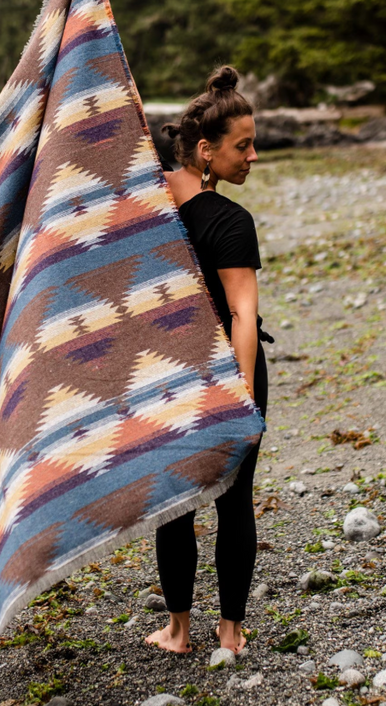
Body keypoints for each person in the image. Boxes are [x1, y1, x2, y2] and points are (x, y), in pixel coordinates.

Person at [145, 65, 270, 655]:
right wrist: (243, 391)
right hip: (224, 371)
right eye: (243, 146)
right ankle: (231, 633)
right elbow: (242, 316)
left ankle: (178, 631)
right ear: (206, 149)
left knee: (175, 502)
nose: (252, 156)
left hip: (170, 374)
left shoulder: (148, 208)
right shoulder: (231, 221)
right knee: (233, 498)